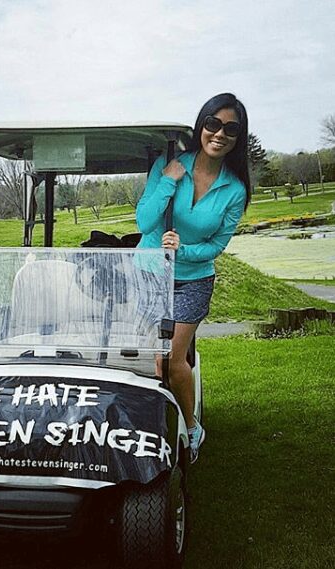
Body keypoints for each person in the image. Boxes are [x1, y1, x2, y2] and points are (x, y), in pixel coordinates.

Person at [135, 93, 251, 463]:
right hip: (151, 272)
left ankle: (190, 425)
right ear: (202, 125)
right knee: (154, 359)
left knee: (169, 360)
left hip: (194, 278)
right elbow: (144, 221)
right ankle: (152, 426)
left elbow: (217, 244)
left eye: (230, 129)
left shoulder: (234, 190)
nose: (220, 134)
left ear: (238, 137)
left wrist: (182, 249)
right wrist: (169, 181)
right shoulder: (169, 165)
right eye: (213, 124)